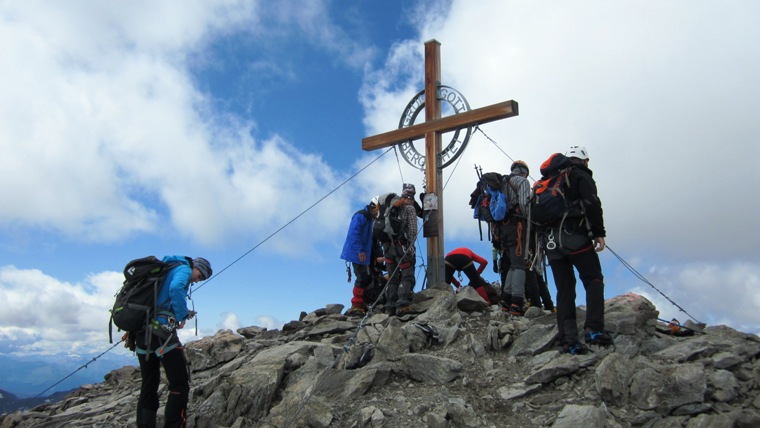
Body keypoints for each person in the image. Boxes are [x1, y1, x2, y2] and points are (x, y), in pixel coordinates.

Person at [544, 146, 611, 355]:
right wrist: (598, 232)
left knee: (564, 290)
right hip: (574, 238)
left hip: (550, 242)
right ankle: (593, 330)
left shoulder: (550, 181)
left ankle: (569, 341)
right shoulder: (580, 175)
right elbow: (592, 203)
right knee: (593, 279)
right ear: (585, 160)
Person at [134, 256, 212, 428]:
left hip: (141, 332)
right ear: (196, 267)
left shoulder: (168, 269)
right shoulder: (184, 269)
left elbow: (163, 297)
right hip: (162, 334)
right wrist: (181, 315)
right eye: (200, 276)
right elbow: (176, 288)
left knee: (149, 383)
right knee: (179, 383)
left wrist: (180, 311)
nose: (198, 280)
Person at [498, 160, 531, 316]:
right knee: (519, 265)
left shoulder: (501, 182)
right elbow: (525, 206)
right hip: (518, 226)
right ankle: (516, 303)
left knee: (512, 263)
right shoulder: (523, 182)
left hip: (503, 228)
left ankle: (506, 300)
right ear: (524, 172)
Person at [382, 183, 419, 315]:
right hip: (402, 248)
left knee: (392, 277)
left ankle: (389, 306)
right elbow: (413, 231)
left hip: (387, 248)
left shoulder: (391, 207)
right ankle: (402, 305)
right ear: (412, 196)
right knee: (406, 275)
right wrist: (410, 247)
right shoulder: (410, 208)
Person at [340, 198, 381, 316]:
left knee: (366, 277)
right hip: (357, 253)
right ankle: (356, 305)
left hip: (363, 252)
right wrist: (360, 250)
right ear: (374, 207)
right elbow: (354, 233)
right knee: (362, 276)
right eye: (377, 210)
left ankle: (361, 303)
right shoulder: (361, 216)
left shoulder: (369, 218)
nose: (378, 213)